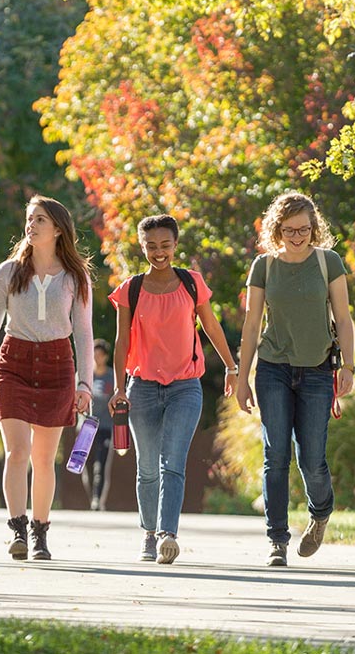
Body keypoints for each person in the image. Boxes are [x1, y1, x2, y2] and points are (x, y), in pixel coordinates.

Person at [0, 196, 94, 560]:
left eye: (40, 220)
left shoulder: (75, 276)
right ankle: (18, 530)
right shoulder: (7, 273)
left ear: (57, 228)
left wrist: (84, 383)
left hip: (57, 365)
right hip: (14, 364)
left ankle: (41, 533)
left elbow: (83, 333)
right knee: (17, 451)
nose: (32, 225)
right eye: (29, 219)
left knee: (43, 458)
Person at [108, 215, 238, 565]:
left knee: (173, 462)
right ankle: (149, 535)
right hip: (142, 388)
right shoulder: (130, 290)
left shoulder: (191, 283)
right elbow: (122, 343)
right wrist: (119, 387)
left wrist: (230, 366)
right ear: (142, 247)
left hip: (185, 386)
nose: (158, 252)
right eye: (151, 246)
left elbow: (210, 325)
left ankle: (168, 534)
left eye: (165, 245)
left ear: (175, 245)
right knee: (147, 467)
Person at [236, 192, 355, 567]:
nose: (298, 236)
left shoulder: (328, 262)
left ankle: (320, 512)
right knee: (275, 454)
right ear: (277, 229)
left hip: (318, 370)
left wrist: (347, 366)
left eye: (304, 228)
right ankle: (277, 540)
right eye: (290, 230)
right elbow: (252, 324)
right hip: (273, 367)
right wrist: (242, 378)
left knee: (312, 460)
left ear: (313, 228)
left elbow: (344, 317)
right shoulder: (264, 266)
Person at [87, 338, 116, 511]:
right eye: (94, 355)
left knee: (102, 463)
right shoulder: (84, 376)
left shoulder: (111, 376)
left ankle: (97, 499)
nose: (97, 358)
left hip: (105, 425)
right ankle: (92, 495)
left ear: (105, 357)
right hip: (86, 426)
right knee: (87, 464)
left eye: (100, 355)